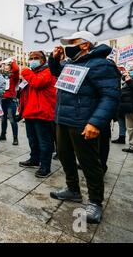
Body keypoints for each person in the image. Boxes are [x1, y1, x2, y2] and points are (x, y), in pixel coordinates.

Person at [48, 31, 121, 225]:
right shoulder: (72, 63)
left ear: (85, 45)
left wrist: (95, 122)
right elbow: (56, 72)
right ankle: (73, 190)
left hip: (83, 122)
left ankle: (95, 202)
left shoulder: (101, 64)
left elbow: (110, 96)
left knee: (89, 162)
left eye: (72, 42)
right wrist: (54, 59)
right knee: (64, 155)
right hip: (63, 120)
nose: (67, 46)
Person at [19, 51, 57, 178]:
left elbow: (37, 83)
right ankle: (34, 159)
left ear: (43, 60)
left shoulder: (48, 71)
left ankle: (45, 166)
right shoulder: (33, 73)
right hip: (30, 112)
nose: (33, 60)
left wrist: (25, 71)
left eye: (36, 58)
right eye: (31, 58)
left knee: (44, 142)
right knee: (33, 139)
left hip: (43, 113)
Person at [0, 58, 20, 145]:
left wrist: (12, 61)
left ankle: (15, 138)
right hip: (2, 100)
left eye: (7, 65)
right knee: (3, 119)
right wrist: (1, 64)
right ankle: (3, 135)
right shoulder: (2, 75)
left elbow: (16, 69)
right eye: (5, 65)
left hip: (11, 100)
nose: (5, 66)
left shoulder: (14, 75)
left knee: (12, 120)